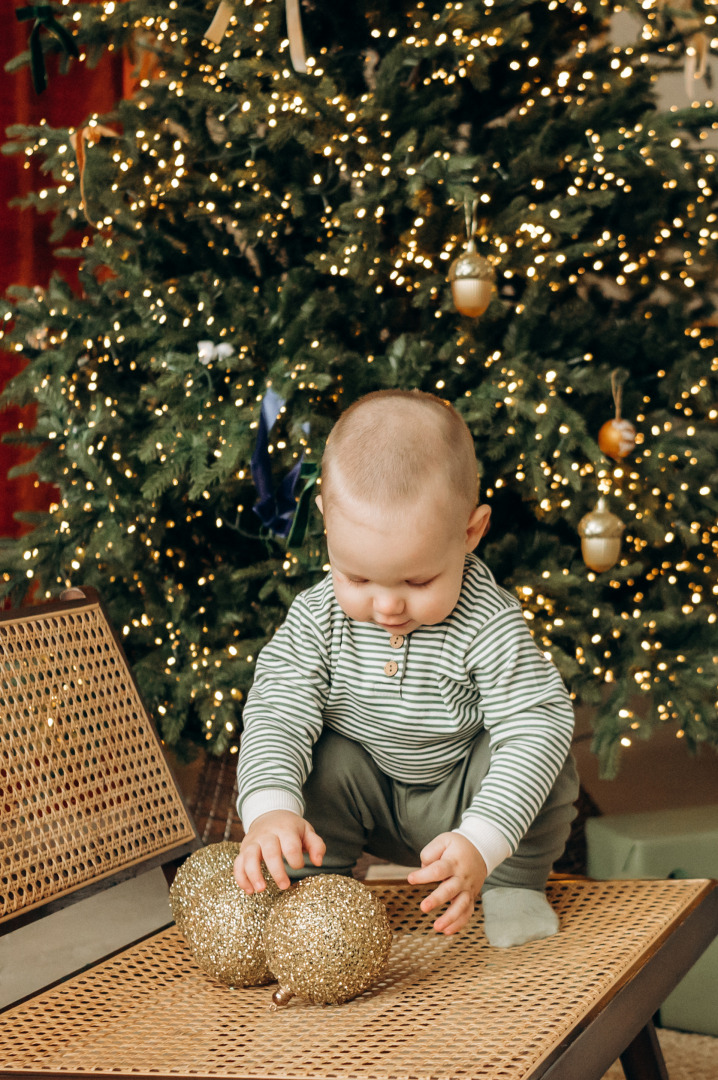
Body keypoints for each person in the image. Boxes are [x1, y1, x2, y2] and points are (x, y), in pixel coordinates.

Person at [233, 389, 578, 946]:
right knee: (322, 756)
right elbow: (277, 710)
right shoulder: (317, 618)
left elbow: (537, 726)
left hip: (464, 801)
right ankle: (320, 887)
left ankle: (513, 884)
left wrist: (483, 840)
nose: (387, 605)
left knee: (541, 744)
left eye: (418, 581)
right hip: (368, 796)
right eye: (358, 579)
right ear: (325, 523)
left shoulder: (486, 622)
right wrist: (270, 810)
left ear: (470, 533)